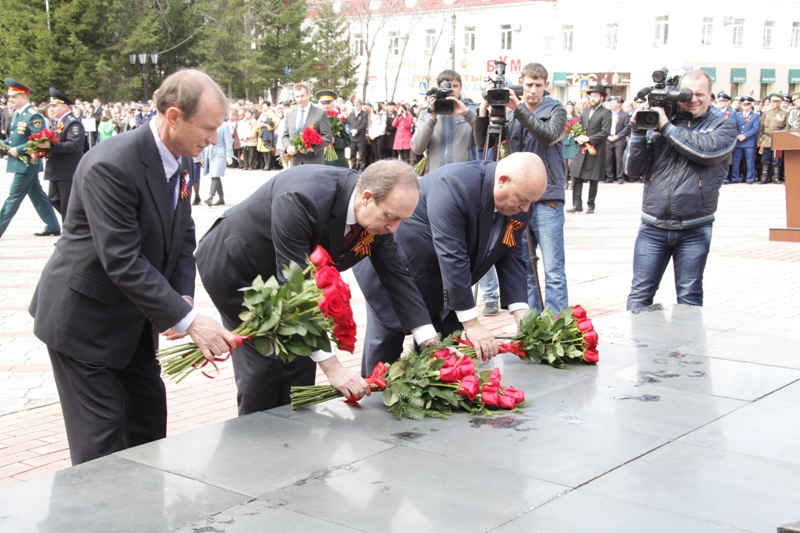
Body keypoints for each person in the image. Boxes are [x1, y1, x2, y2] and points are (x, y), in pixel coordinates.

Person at [29, 69, 237, 465]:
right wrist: (191, 321)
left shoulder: (181, 160)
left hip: (132, 325)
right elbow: (121, 260)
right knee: (102, 442)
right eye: (207, 129)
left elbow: (183, 237)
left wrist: (182, 297)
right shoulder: (113, 164)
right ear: (174, 116)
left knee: (148, 426)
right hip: (84, 323)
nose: (213, 140)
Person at [196, 160, 436, 414]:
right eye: (391, 217)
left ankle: (294, 437)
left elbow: (396, 275)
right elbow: (295, 287)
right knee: (266, 359)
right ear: (366, 198)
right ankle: (256, 443)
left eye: (402, 220)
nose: (394, 228)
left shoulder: (379, 219)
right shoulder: (303, 198)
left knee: (300, 359)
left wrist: (429, 340)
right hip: (239, 266)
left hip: (288, 274)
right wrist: (333, 367)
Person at [353, 153, 547, 373]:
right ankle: (373, 400)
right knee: (385, 348)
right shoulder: (457, 185)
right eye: (522, 199)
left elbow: (510, 252)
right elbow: (452, 255)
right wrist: (472, 323)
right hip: (401, 274)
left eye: (531, 201)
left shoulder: (519, 207)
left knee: (442, 360)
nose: (525, 209)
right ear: (502, 180)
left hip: (449, 289)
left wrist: (521, 313)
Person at [624, 69, 737, 310]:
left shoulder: (723, 127)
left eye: (699, 93)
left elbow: (705, 152)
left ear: (710, 96)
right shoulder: (658, 122)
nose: (693, 98)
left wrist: (665, 126)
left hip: (694, 228)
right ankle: (633, 347)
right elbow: (633, 170)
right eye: (686, 94)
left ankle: (689, 349)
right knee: (640, 293)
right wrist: (637, 132)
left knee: (689, 296)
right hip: (652, 226)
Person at [474, 62, 569, 315]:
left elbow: (548, 135)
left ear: (546, 85)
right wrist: (485, 109)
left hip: (547, 200)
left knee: (553, 270)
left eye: (538, 85)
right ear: (522, 83)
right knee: (524, 266)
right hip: (519, 200)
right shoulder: (514, 113)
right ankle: (531, 324)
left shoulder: (556, 110)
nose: (533, 90)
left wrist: (519, 109)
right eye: (528, 85)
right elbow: (485, 141)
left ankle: (558, 323)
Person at [0, 78, 61, 239]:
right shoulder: (18, 115)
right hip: (21, 163)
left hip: (28, 163)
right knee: (37, 196)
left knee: (13, 196)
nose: (10, 100)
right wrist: (5, 144)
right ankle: (53, 225)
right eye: (10, 97)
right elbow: (16, 138)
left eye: (14, 97)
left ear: (24, 97)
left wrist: (18, 150)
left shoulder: (33, 115)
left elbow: (40, 139)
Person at [410, 69, 478, 172]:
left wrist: (466, 113)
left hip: (466, 175)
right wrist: (432, 117)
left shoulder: (471, 110)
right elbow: (417, 148)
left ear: (461, 88)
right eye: (447, 86)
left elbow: (486, 138)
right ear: (438, 88)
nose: (450, 90)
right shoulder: (426, 113)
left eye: (455, 86)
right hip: (437, 176)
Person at [42, 88, 85, 222]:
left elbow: (74, 145)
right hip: (57, 170)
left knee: (67, 204)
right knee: (54, 198)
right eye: (51, 106)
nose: (52, 109)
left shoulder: (73, 123)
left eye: (55, 106)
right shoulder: (59, 122)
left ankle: (70, 233)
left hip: (66, 170)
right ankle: (75, 225)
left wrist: (51, 147)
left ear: (65, 106)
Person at [568, 85, 611, 214]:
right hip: (582, 149)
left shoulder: (606, 113)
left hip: (596, 149)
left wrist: (589, 139)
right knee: (576, 176)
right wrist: (578, 136)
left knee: (593, 177)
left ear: (601, 98)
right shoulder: (586, 111)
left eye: (595, 96)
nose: (592, 98)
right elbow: (579, 126)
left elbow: (605, 132)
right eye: (591, 96)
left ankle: (591, 204)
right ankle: (577, 204)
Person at [281, 84, 332, 167]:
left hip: (314, 161)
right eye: (297, 96)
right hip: (296, 162)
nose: (300, 99)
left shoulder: (320, 113)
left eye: (302, 96)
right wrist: (288, 147)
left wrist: (311, 148)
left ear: (308, 95)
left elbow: (327, 137)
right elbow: (285, 136)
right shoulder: (290, 114)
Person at [728, 96, 760, 184]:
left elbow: (755, 128)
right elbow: (733, 126)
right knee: (736, 161)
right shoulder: (737, 115)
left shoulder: (755, 116)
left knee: (750, 161)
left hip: (748, 141)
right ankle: (735, 178)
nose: (746, 106)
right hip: (738, 141)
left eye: (748, 105)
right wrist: (738, 135)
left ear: (751, 105)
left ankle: (750, 178)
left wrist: (745, 136)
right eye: (744, 105)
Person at [317, 90, 351, 168]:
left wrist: (334, 140)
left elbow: (347, 141)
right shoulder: (315, 120)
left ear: (333, 103)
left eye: (328, 103)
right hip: (320, 161)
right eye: (323, 103)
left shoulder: (341, 119)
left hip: (337, 162)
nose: (326, 106)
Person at [203, 120, 234, 206]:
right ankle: (221, 198)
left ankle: (210, 196)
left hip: (220, 152)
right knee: (215, 175)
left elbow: (228, 141)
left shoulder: (224, 125)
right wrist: (202, 154)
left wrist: (229, 155)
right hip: (210, 152)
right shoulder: (208, 123)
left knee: (215, 175)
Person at [758, 94, 787, 185]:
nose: (772, 103)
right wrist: (759, 139)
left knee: (776, 160)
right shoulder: (766, 113)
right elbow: (761, 128)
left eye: (775, 102)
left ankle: (775, 177)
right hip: (766, 139)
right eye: (772, 102)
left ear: (779, 103)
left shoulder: (785, 113)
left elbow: (786, 127)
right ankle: (764, 177)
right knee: (765, 159)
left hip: (778, 139)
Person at [604, 96, 631, 184]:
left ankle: (620, 177)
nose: (612, 105)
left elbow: (627, 127)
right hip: (608, 138)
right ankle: (609, 177)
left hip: (619, 139)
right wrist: (607, 136)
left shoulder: (624, 114)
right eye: (611, 103)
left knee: (619, 159)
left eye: (614, 103)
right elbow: (603, 126)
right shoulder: (607, 114)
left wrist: (617, 136)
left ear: (619, 104)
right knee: (608, 159)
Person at [346, 100, 369, 170]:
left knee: (362, 156)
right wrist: (350, 130)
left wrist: (357, 130)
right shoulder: (351, 114)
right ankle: (353, 169)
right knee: (352, 156)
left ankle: (362, 170)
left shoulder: (364, 114)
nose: (356, 107)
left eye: (357, 105)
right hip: (352, 138)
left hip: (360, 138)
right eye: (355, 105)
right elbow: (347, 124)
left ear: (361, 105)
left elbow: (364, 124)